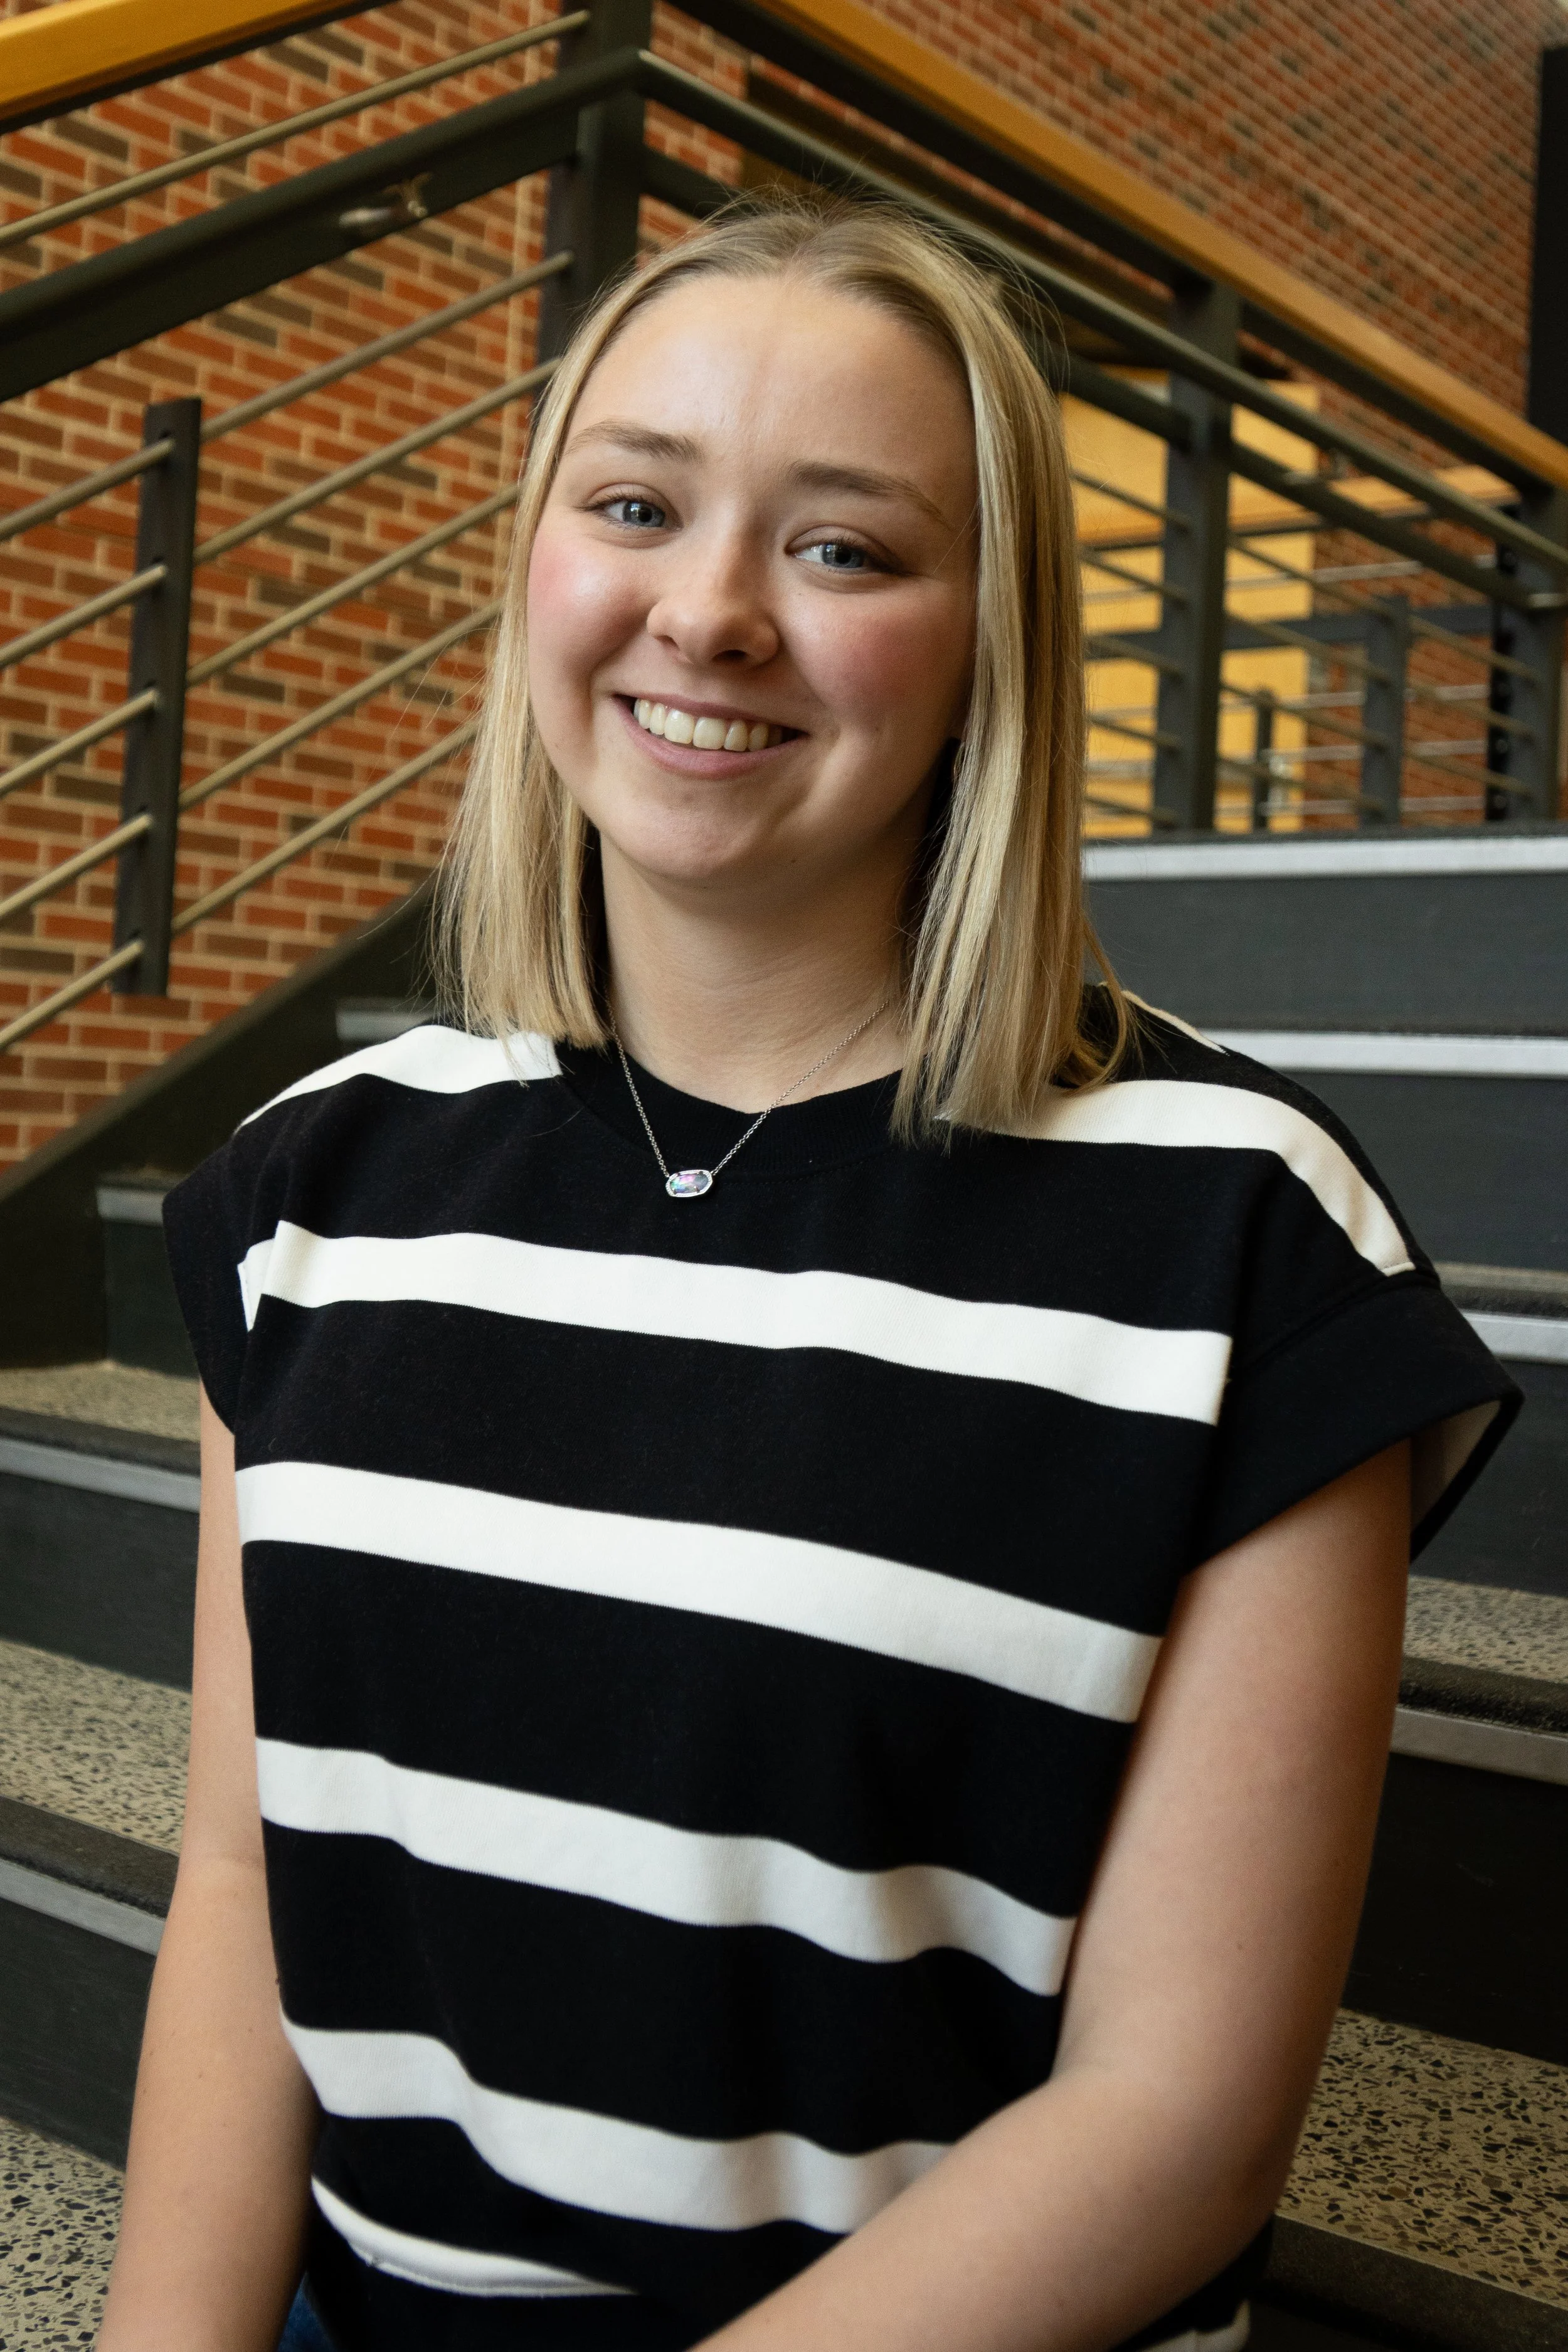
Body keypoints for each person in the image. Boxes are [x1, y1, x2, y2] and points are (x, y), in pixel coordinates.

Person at [99, 195, 1515, 2352]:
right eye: (636, 503)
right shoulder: (311, 1187)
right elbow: (239, 1882)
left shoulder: (1239, 1234)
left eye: (843, 546)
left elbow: (1175, 2116)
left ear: (990, 640)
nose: (712, 612)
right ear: (539, 562)